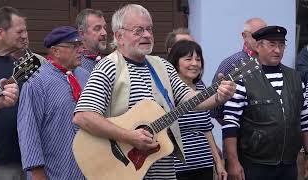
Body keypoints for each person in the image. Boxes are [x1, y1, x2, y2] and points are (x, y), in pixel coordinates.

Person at [73, 4, 235, 180]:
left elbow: (189, 98)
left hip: (163, 170)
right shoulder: (109, 67)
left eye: (149, 29)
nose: (147, 35)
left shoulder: (162, 66)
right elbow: (83, 116)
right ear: (119, 36)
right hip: (122, 170)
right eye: (139, 30)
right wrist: (129, 136)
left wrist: (218, 96)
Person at [223, 25, 308, 180]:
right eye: (272, 45)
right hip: (254, 164)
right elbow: (230, 123)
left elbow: (305, 121)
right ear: (258, 46)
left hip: (288, 165)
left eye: (281, 45)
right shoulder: (242, 77)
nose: (277, 50)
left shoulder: (296, 78)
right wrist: (233, 162)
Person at [17, 26, 89, 179]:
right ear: (56, 51)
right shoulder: (36, 82)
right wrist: (37, 173)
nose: (81, 50)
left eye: (81, 45)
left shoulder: (86, 77)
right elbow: (28, 130)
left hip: (86, 169)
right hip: (55, 171)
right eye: (74, 46)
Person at [168, 40, 227, 180]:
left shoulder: (200, 86)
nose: (195, 63)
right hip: (176, 167)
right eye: (188, 59)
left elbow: (206, 128)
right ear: (175, 62)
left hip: (203, 164)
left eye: (198, 59)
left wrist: (218, 162)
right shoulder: (166, 89)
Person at [0, 6, 28, 180]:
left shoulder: (16, 65)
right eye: (19, 31)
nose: (25, 36)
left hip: (21, 161)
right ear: (0, 32)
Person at [210, 17, 267, 125]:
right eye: (257, 35)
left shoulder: (271, 62)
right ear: (244, 36)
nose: (261, 40)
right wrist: (235, 132)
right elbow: (215, 110)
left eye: (265, 35)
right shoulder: (232, 63)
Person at [76, 8, 107, 73]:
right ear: (81, 33)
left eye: (105, 27)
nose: (104, 33)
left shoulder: (108, 61)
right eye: (97, 28)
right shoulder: (74, 64)